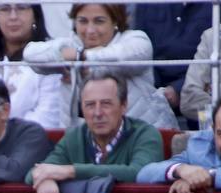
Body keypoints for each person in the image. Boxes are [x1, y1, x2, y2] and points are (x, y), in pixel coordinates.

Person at [23, 3, 179, 130]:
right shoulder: (71, 44)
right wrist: (70, 55)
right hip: (85, 141)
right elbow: (30, 54)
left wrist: (80, 57)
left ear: (115, 22)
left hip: (144, 135)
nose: (90, 30)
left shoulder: (136, 39)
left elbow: (124, 56)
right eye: (83, 21)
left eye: (99, 21)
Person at [26, 72, 163, 193]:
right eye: (90, 105)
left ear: (123, 106)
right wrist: (46, 180)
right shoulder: (74, 137)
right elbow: (35, 173)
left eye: (106, 104)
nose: (97, 113)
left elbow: (140, 173)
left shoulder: (145, 134)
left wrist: (71, 171)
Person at [130, 1, 210, 121]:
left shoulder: (218, 5)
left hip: (199, 88)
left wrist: (178, 88)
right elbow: (139, 49)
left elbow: (220, 52)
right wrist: (156, 91)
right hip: (153, 91)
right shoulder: (145, 4)